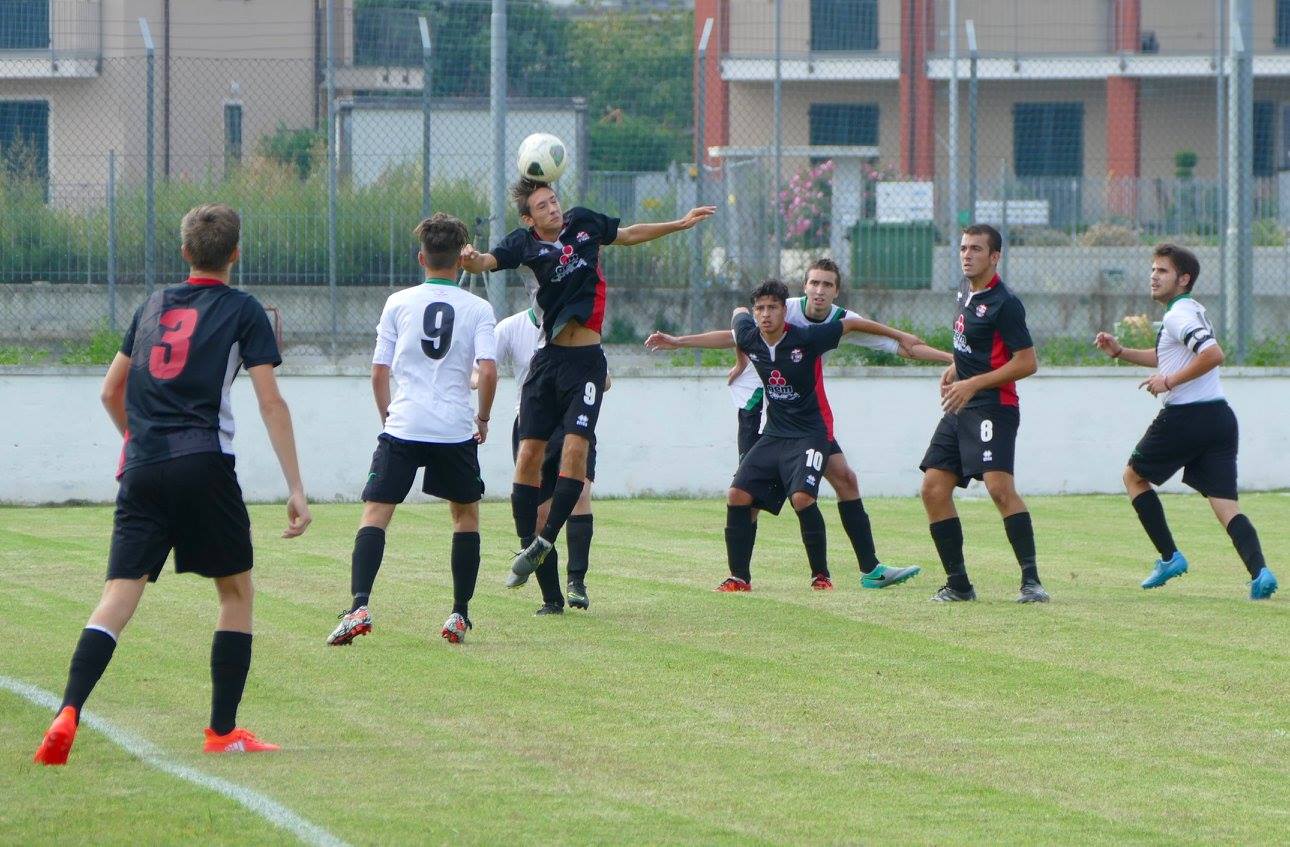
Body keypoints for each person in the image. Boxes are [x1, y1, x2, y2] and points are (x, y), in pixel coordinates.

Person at [34, 204, 312, 765]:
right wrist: (296, 487)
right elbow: (270, 401)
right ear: (235, 254)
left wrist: (135, 441)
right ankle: (221, 731)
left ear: (184, 252)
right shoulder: (243, 310)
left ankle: (68, 709)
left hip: (141, 464)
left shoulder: (151, 305)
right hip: (204, 462)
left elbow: (111, 391)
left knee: (118, 594)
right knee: (235, 592)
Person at [460, 178, 713, 588]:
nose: (553, 208)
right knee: (527, 457)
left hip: (587, 362)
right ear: (529, 217)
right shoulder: (523, 244)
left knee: (576, 450)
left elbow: (628, 235)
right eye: (542, 206)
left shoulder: (584, 224)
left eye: (553, 200)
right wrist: (470, 259)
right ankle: (528, 542)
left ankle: (546, 540)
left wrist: (679, 224)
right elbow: (486, 262)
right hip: (547, 361)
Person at [648, 258, 951, 589]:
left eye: (827, 285)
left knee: (838, 482)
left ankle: (862, 570)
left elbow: (895, 343)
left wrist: (952, 359)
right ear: (803, 287)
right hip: (761, 415)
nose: (819, 291)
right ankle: (739, 576)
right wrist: (722, 354)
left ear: (836, 291)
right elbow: (738, 328)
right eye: (814, 284)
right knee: (743, 495)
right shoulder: (782, 308)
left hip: (809, 424)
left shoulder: (824, 328)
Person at [327, 213, 497, 647]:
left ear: (422, 258)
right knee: (465, 517)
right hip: (454, 429)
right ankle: (459, 614)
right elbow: (489, 371)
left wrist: (388, 416)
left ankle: (359, 605)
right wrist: (482, 418)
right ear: (460, 261)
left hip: (404, 424)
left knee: (376, 514)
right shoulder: (478, 308)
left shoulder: (398, 302)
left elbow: (378, 372)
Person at [1094, 244, 1278, 599]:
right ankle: (1261, 573)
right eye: (1152, 269)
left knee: (1133, 476)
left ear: (1183, 279)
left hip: (1186, 416)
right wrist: (1120, 352)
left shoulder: (1179, 316)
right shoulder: (1188, 311)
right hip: (1219, 418)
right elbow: (1169, 357)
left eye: (1162, 271)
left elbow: (1213, 355)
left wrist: (1169, 382)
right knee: (1226, 505)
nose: (1153, 276)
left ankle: (1169, 556)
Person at [919, 224, 1046, 603]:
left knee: (998, 488)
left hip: (994, 405)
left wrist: (974, 383)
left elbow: (1027, 362)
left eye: (976, 248)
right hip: (961, 405)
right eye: (962, 247)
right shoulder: (964, 291)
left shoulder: (1005, 303)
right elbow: (974, 344)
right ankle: (958, 584)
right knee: (933, 489)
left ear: (995, 257)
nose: (967, 254)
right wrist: (959, 366)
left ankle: (1031, 582)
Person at [481, 307, 599, 614]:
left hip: (571, 423)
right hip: (534, 424)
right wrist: (474, 379)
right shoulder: (510, 328)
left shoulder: (578, 326)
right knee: (538, 515)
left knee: (581, 493)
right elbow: (481, 367)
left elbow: (603, 376)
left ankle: (577, 582)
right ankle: (551, 599)